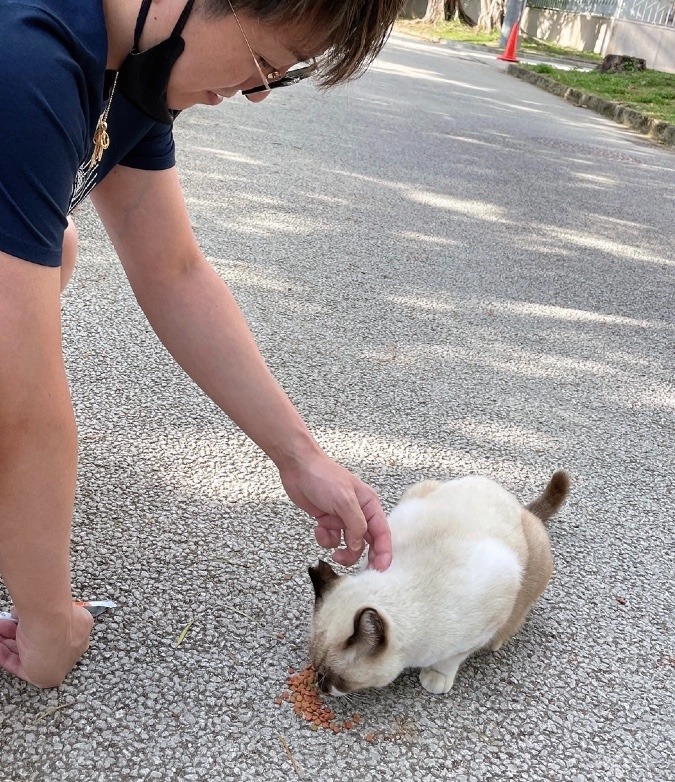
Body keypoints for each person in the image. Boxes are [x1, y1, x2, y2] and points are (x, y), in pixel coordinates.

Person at [0, 0, 404, 688]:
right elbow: (25, 410)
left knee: (51, 247)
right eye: (260, 65)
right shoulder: (26, 62)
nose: (247, 95)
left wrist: (300, 455)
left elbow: (173, 269)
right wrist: (49, 622)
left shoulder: (130, 69)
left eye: (276, 79)